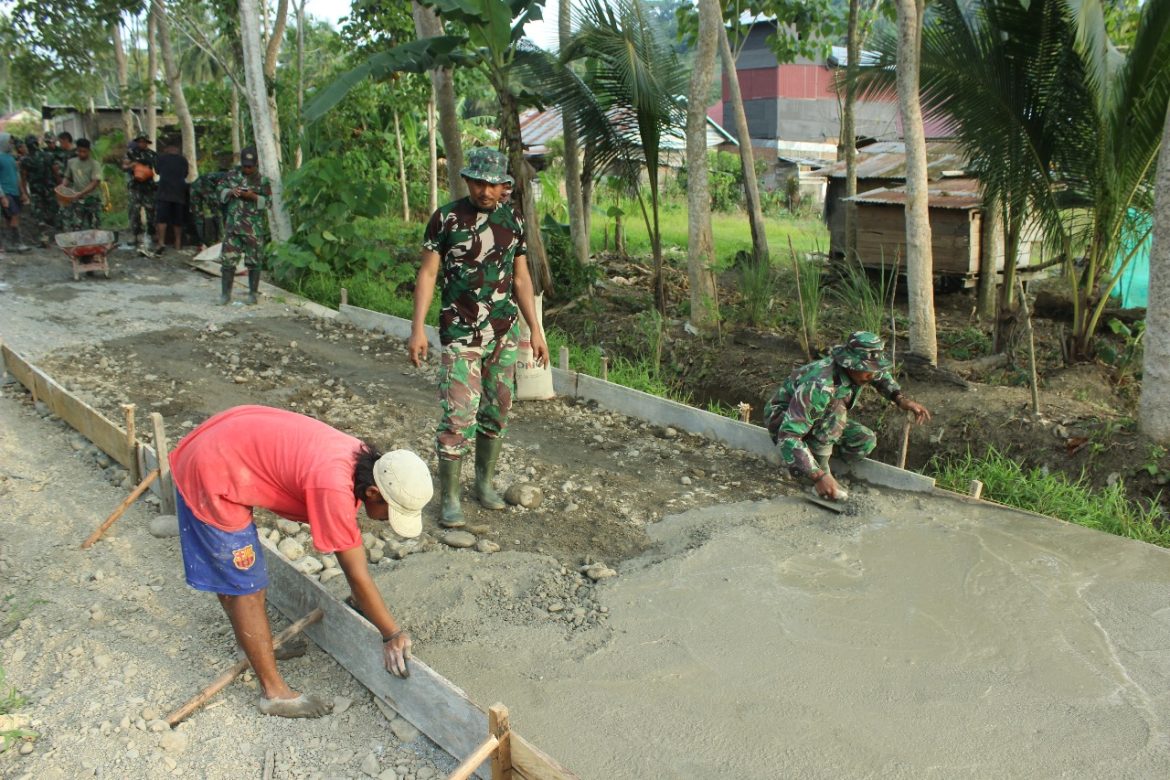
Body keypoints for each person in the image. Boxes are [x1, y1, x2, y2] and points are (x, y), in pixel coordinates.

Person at [169, 405, 433, 718]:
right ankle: (274, 693)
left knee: (245, 579)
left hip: (228, 442)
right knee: (245, 585)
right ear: (374, 491)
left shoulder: (358, 459)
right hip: (212, 470)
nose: (389, 522)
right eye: (391, 512)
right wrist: (391, 634)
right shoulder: (333, 487)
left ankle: (255, 646)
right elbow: (356, 574)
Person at [409, 147, 549, 527]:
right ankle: (450, 499)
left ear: (503, 184)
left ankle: (484, 484)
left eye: (492, 184)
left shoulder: (513, 220)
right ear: (466, 180)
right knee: (458, 415)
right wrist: (417, 328)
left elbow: (521, 277)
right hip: (460, 331)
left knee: (497, 410)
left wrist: (536, 329)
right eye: (477, 183)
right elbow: (427, 275)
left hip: (503, 331)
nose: (485, 191)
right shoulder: (446, 219)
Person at [763, 331, 932, 501]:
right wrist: (818, 476)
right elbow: (789, 435)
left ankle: (813, 457)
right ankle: (814, 472)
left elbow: (880, 376)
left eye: (874, 369)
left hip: (816, 421)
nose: (871, 375)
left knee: (864, 440)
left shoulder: (862, 373)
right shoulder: (820, 386)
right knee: (836, 413)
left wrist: (900, 399)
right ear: (850, 365)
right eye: (866, 369)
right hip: (783, 421)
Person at [217, 147, 271, 305]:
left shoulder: (262, 180)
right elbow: (220, 191)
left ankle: (253, 294)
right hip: (233, 227)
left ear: (256, 164)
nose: (247, 169)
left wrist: (252, 196)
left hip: (253, 229)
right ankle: (225, 295)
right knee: (228, 261)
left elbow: (268, 202)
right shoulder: (231, 175)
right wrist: (231, 192)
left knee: (254, 262)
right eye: (245, 165)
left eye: (250, 166)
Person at [122, 134, 157, 251]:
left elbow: (157, 169)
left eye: (144, 142)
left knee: (151, 210)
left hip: (149, 187)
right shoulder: (131, 153)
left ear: (147, 142)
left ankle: (152, 234)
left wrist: (149, 166)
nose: (142, 143)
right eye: (140, 141)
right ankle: (135, 235)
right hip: (135, 186)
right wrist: (134, 164)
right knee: (134, 211)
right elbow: (124, 166)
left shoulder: (152, 154)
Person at [59, 138, 103, 231]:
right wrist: (63, 186)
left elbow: (95, 182)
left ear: (89, 151)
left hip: (92, 198)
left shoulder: (94, 164)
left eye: (84, 151)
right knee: (79, 225)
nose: (82, 154)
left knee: (96, 225)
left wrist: (82, 193)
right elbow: (67, 177)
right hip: (77, 199)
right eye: (79, 151)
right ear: (77, 150)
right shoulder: (71, 162)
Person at [153, 141, 188, 255]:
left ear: (167, 148)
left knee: (161, 219)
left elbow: (157, 171)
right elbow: (185, 174)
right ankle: (177, 243)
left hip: (164, 193)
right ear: (177, 149)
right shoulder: (183, 160)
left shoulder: (161, 158)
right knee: (178, 220)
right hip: (179, 193)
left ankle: (161, 242)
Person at [20, 135, 58, 243]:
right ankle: (54, 237)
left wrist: (24, 192)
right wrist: (60, 185)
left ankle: (43, 238)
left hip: (36, 190)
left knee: (39, 215)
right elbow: (56, 172)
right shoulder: (48, 156)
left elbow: (23, 177)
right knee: (52, 212)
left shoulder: (25, 160)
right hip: (49, 188)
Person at [189, 157, 230, 250]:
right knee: (217, 213)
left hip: (196, 187)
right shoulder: (227, 177)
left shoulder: (222, 176)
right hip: (202, 187)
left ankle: (204, 242)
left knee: (199, 216)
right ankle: (218, 240)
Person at [0, 133, 31, 253]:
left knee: (10, 218)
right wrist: (2, 196)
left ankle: (10, 243)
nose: (12, 144)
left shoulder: (11, 158)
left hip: (15, 192)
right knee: (15, 215)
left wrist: (23, 192)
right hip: (6, 192)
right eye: (10, 142)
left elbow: (17, 176)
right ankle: (17, 243)